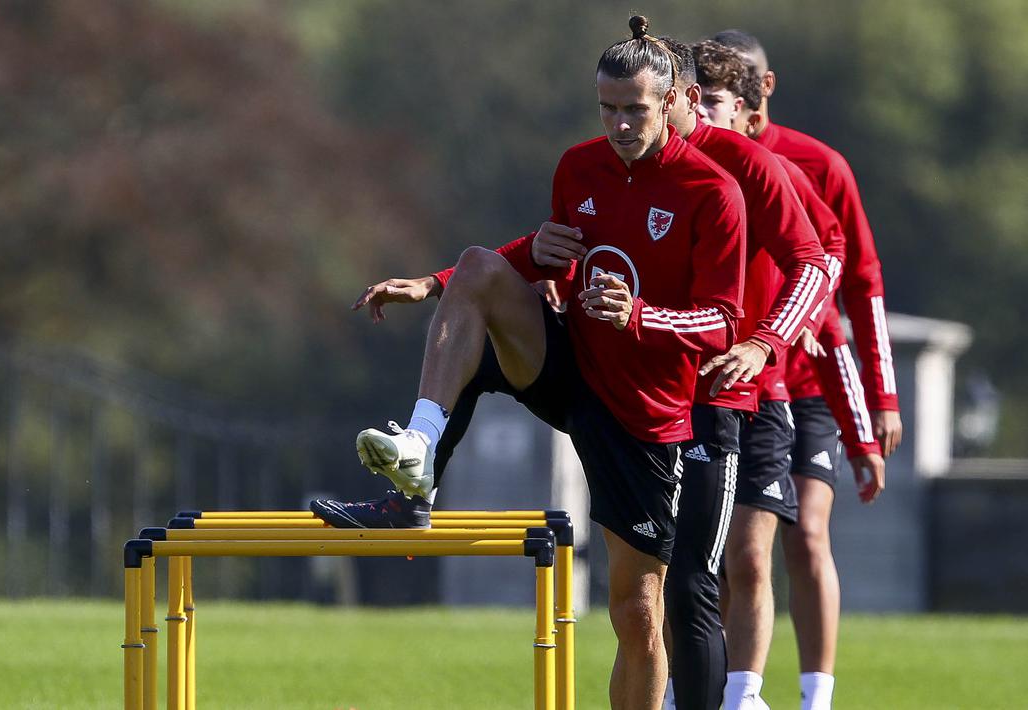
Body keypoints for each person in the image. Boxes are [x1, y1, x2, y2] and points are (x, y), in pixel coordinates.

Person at [315, 16, 747, 709]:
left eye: (634, 110)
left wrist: (636, 315)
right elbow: (547, 250)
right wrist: (433, 282)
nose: (618, 125)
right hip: (569, 364)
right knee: (476, 268)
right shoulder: (578, 165)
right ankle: (418, 454)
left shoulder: (711, 192)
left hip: (643, 417)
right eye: (606, 109)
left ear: (670, 102)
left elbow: (724, 321)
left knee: (636, 613)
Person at [711, 30, 894, 710]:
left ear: (764, 86)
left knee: (806, 533)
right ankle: (722, 687)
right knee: (732, 553)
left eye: (744, 91)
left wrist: (879, 404)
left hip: (807, 378)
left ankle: (814, 697)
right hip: (743, 380)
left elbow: (854, 278)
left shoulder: (814, 165)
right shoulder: (699, 164)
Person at [654, 38, 832, 710]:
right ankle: (679, 690)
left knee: (747, 558)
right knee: (678, 565)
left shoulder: (759, 168)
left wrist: (767, 341)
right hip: (670, 395)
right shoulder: (635, 166)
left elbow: (822, 258)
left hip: (757, 391)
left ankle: (744, 696)